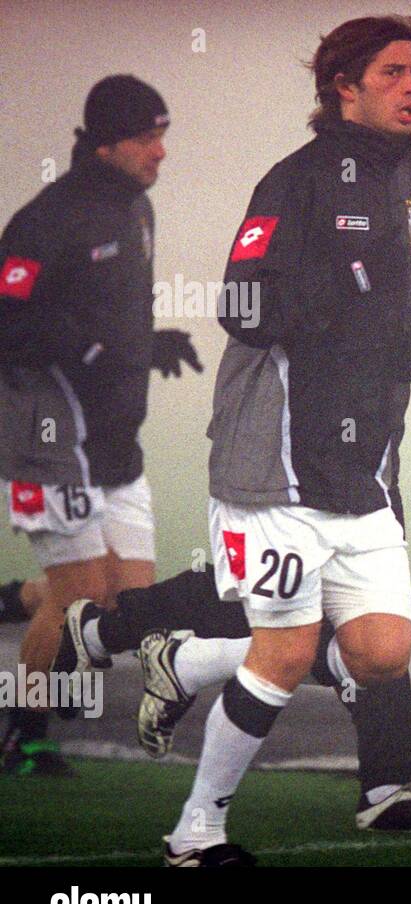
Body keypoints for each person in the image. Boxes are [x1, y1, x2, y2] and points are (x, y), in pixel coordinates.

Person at [49, 15, 411, 836]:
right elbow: (242, 304)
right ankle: (197, 831)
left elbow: (366, 321)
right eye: (395, 74)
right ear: (343, 88)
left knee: (380, 651)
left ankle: (186, 657)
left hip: (358, 465)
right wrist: (374, 330)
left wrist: (406, 343)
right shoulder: (297, 180)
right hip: (275, 459)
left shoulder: (403, 188)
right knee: (282, 645)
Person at [0, 75, 201, 776]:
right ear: (108, 142)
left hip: (116, 438)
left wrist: (154, 343)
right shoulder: (44, 220)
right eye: (149, 137)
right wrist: (89, 351)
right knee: (80, 595)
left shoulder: (137, 209)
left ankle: (14, 599)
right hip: (50, 435)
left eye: (163, 135)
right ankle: (22, 731)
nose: (161, 152)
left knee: (126, 604)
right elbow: (10, 319)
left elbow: (110, 319)